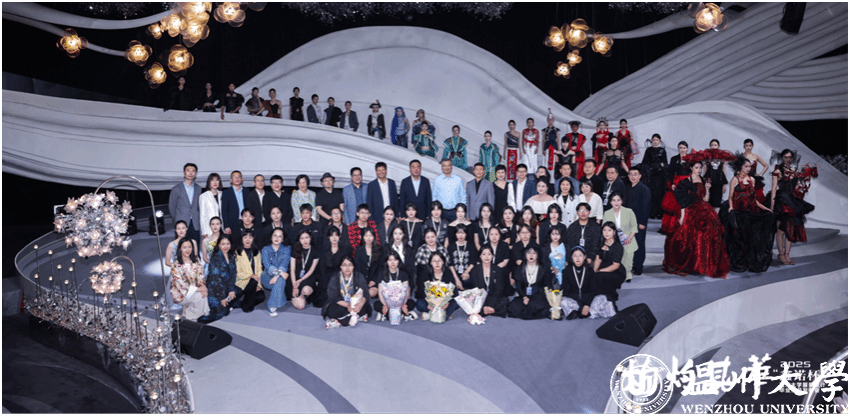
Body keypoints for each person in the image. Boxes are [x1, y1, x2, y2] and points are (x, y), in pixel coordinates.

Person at [663, 158, 730, 278]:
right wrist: (682, 216)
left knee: (709, 236)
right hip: (691, 210)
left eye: (700, 168)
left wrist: (708, 189)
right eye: (696, 168)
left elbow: (705, 199)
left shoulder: (703, 180)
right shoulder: (686, 182)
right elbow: (683, 201)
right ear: (691, 168)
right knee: (690, 237)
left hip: (704, 209)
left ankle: (703, 265)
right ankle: (693, 265)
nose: (699, 170)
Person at [725, 155, 775, 272]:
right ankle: (741, 261)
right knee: (740, 239)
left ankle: (750, 261)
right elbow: (730, 197)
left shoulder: (752, 180)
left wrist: (765, 208)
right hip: (739, 213)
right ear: (740, 167)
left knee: (753, 237)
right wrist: (731, 208)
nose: (748, 168)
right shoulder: (735, 179)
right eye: (746, 166)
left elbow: (754, 200)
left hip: (751, 213)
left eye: (749, 166)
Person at [769, 149, 816, 265]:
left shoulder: (795, 171)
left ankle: (787, 254)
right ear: (782, 158)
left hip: (792, 201)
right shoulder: (777, 171)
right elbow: (774, 189)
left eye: (790, 157)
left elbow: (796, 187)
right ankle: (781, 254)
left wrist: (801, 185)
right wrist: (772, 206)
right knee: (780, 231)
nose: (788, 159)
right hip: (781, 202)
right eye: (786, 157)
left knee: (790, 229)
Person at [561, 246, 615, 319]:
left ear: (584, 257)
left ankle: (582, 312)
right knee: (563, 301)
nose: (577, 258)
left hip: (588, 300)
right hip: (575, 301)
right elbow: (564, 288)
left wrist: (587, 305)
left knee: (603, 298)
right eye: (575, 256)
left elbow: (594, 290)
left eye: (580, 255)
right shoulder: (567, 270)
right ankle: (583, 312)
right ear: (571, 257)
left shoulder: (589, 270)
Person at [322, 256, 372, 328]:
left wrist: (360, 305)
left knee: (365, 306)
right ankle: (354, 317)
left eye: (350, 265)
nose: (347, 268)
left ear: (353, 267)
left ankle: (338, 321)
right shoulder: (335, 278)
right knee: (331, 309)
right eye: (344, 265)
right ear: (340, 267)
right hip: (341, 304)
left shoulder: (359, 276)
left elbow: (365, 294)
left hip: (355, 304)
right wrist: (347, 305)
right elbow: (333, 297)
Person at [198, 235, 236, 323]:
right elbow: (215, 281)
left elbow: (233, 275)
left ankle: (228, 302)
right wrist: (222, 298)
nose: (226, 246)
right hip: (214, 289)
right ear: (218, 245)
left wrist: (231, 290)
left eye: (228, 244)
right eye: (223, 244)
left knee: (237, 293)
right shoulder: (215, 258)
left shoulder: (231, 256)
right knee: (220, 313)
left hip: (226, 287)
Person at [170, 237, 210, 320]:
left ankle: (189, 314)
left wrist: (203, 286)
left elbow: (201, 275)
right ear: (180, 249)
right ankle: (194, 318)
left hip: (194, 289)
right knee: (200, 297)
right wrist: (199, 289)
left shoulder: (196, 260)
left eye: (189, 247)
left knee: (204, 294)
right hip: (181, 293)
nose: (187, 250)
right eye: (184, 247)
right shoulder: (176, 265)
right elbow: (181, 285)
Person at [507, 246, 549, 320]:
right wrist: (524, 297)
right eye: (529, 253)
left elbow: (547, 284)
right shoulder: (520, 268)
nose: (531, 255)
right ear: (525, 255)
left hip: (538, 295)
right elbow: (518, 286)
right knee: (513, 306)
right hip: (523, 294)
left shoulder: (543, 268)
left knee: (539, 305)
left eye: (534, 253)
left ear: (538, 256)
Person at [603, 192, 638, 282]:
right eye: (614, 200)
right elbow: (605, 228)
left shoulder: (629, 211)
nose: (616, 202)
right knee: (616, 259)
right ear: (610, 202)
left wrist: (629, 238)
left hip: (628, 239)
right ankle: (617, 275)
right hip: (613, 241)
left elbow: (634, 227)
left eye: (618, 200)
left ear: (622, 201)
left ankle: (627, 274)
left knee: (628, 259)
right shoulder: (607, 213)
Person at [374, 251, 418, 322]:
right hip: (387, 301)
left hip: (400, 302)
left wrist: (403, 304)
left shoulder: (403, 273)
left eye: (395, 260)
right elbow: (380, 292)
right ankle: (402, 314)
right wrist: (385, 305)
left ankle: (385, 314)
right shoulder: (382, 273)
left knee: (411, 303)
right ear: (387, 262)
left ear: (398, 261)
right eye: (390, 260)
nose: (392, 262)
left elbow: (407, 290)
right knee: (377, 305)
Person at [415, 251, 460, 321]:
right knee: (419, 303)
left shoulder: (448, 272)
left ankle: (432, 314)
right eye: (434, 261)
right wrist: (430, 305)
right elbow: (421, 291)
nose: (437, 263)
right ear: (430, 262)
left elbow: (453, 290)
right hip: (430, 302)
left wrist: (447, 303)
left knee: (457, 301)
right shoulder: (424, 273)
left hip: (444, 302)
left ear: (443, 262)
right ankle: (445, 314)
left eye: (439, 260)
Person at [593, 222, 627, 311]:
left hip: (616, 271)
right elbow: (598, 259)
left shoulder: (617, 246)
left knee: (600, 276)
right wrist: (594, 271)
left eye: (609, 230)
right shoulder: (600, 243)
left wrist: (600, 271)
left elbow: (615, 265)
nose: (606, 233)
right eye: (604, 230)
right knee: (593, 275)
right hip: (603, 266)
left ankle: (612, 298)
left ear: (614, 232)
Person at [468, 245, 508, 318]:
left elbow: (499, 289)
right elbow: (476, 289)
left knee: (504, 300)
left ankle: (486, 310)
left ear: (492, 256)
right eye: (484, 254)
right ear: (480, 256)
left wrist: (490, 304)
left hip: (493, 296)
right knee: (470, 302)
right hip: (480, 297)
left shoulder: (497, 269)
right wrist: (484, 305)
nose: (486, 257)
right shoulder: (475, 270)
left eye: (489, 254)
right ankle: (489, 310)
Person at [624, 167, 651, 275]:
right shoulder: (627, 188)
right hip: (627, 221)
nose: (633, 176)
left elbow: (646, 207)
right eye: (631, 174)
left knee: (639, 244)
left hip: (639, 222)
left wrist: (642, 222)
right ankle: (628, 264)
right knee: (628, 243)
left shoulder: (644, 189)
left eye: (635, 174)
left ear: (640, 176)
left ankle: (638, 266)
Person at [661, 141, 691, 234]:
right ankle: (671, 227)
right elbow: (671, 172)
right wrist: (672, 183)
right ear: (678, 148)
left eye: (684, 148)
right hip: (677, 181)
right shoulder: (674, 159)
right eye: (680, 148)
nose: (682, 150)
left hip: (687, 181)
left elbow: (693, 171)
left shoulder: (691, 159)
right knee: (674, 204)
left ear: (687, 149)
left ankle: (684, 228)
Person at [169, 163, 202, 244]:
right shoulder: (176, 189)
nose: (190, 173)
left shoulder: (198, 188)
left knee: (195, 245)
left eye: (193, 171)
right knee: (182, 246)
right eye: (188, 170)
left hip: (195, 222)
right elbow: (172, 208)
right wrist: (177, 221)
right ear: (184, 172)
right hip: (181, 223)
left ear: (196, 173)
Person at [233, 231, 266, 312]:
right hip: (242, 281)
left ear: (253, 238)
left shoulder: (257, 251)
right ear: (241, 239)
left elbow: (259, 270)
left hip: (254, 281)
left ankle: (242, 304)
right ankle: (247, 307)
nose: (248, 240)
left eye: (250, 237)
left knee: (261, 297)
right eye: (245, 237)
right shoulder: (237, 252)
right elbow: (238, 272)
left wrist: (259, 285)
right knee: (253, 282)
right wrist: (251, 276)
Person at [261, 228, 291, 316]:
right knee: (281, 279)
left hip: (278, 277)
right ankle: (279, 298)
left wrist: (276, 276)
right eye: (275, 235)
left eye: (280, 236)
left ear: (283, 239)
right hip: (266, 276)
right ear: (271, 237)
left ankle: (271, 305)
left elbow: (284, 264)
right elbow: (267, 265)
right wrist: (280, 273)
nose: (277, 238)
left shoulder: (287, 249)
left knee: (280, 280)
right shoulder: (265, 249)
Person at [289, 230, 321, 308]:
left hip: (307, 277)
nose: (305, 240)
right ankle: (297, 296)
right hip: (294, 278)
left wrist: (300, 280)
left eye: (306, 237)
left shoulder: (316, 250)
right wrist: (294, 286)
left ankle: (303, 295)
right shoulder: (295, 249)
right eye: (302, 238)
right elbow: (292, 269)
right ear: (299, 240)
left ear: (310, 238)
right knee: (300, 306)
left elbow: (311, 270)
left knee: (306, 291)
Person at [641, 134, 668, 219]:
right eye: (654, 140)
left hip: (660, 175)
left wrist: (661, 167)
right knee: (651, 193)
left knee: (660, 193)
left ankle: (659, 212)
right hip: (650, 175)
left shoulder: (662, 150)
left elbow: (665, 162)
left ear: (660, 141)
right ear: (652, 140)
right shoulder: (648, 150)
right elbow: (644, 162)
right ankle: (652, 212)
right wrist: (650, 168)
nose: (655, 141)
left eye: (657, 140)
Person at [320, 227, 353, 299]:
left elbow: (347, 268)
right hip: (326, 278)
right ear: (328, 237)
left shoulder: (345, 250)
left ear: (339, 236)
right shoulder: (324, 250)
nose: (334, 238)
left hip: (340, 279)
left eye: (336, 235)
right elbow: (322, 269)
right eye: (332, 235)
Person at [510, 225, 540, 296]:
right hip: (520, 272)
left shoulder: (535, 245)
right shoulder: (516, 246)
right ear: (519, 234)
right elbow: (518, 262)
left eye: (527, 232)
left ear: (530, 233)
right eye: (522, 233)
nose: (525, 235)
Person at [447, 223, 477, 288]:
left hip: (468, 273)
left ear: (466, 234)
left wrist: (466, 272)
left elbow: (473, 262)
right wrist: (456, 279)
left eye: (463, 233)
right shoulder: (451, 247)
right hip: (454, 274)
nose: (461, 235)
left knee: (467, 281)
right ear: (455, 234)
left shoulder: (471, 246)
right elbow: (450, 264)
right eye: (458, 233)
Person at [354, 227, 382, 299]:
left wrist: (374, 280)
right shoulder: (359, 250)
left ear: (374, 237)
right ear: (363, 237)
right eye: (366, 236)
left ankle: (363, 298)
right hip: (361, 280)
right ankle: (364, 298)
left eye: (370, 236)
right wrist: (363, 282)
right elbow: (357, 268)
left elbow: (380, 267)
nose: (368, 238)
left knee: (372, 292)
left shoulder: (379, 249)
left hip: (374, 280)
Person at [704, 139, 728, 213]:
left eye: (715, 145)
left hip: (719, 181)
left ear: (718, 146)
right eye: (712, 145)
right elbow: (705, 169)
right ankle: (709, 217)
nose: (713, 147)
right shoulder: (707, 156)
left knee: (717, 202)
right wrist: (704, 182)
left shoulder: (722, 157)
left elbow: (724, 170)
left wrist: (724, 184)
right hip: (709, 181)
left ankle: (716, 217)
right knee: (708, 201)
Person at [743, 138, 770, 203]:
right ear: (744, 146)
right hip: (744, 179)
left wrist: (760, 174)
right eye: (747, 145)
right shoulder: (741, 156)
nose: (748, 147)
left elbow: (766, 165)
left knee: (757, 196)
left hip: (754, 179)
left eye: (750, 145)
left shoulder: (756, 156)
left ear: (752, 146)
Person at [199, 172, 223, 240]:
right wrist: (204, 231)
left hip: (222, 228)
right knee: (211, 246)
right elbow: (202, 215)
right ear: (209, 183)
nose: (215, 182)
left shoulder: (222, 194)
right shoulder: (204, 196)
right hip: (210, 229)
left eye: (217, 180)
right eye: (212, 180)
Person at [221, 170, 245, 235]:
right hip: (232, 224)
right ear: (231, 180)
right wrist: (226, 226)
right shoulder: (226, 192)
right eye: (234, 177)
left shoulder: (247, 191)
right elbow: (224, 211)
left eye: (239, 177)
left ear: (242, 179)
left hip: (246, 222)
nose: (237, 179)